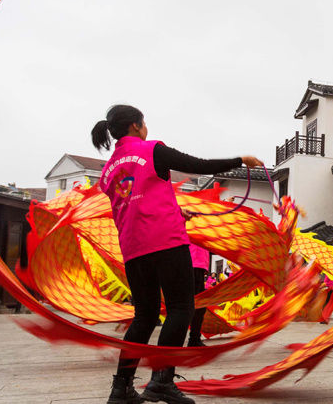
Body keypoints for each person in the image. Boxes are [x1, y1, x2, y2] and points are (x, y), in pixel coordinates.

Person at [92, 104, 263, 404]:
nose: (146, 127)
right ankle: (161, 380)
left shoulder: (108, 170)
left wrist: (174, 209)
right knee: (180, 308)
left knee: (144, 317)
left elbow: (134, 199)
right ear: (135, 125)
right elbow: (198, 164)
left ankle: (121, 389)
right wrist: (240, 160)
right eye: (143, 122)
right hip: (166, 243)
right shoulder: (152, 150)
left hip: (133, 250)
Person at [187, 243, 209, 348]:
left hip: (196, 264)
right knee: (196, 306)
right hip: (194, 262)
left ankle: (194, 338)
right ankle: (193, 339)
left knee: (197, 306)